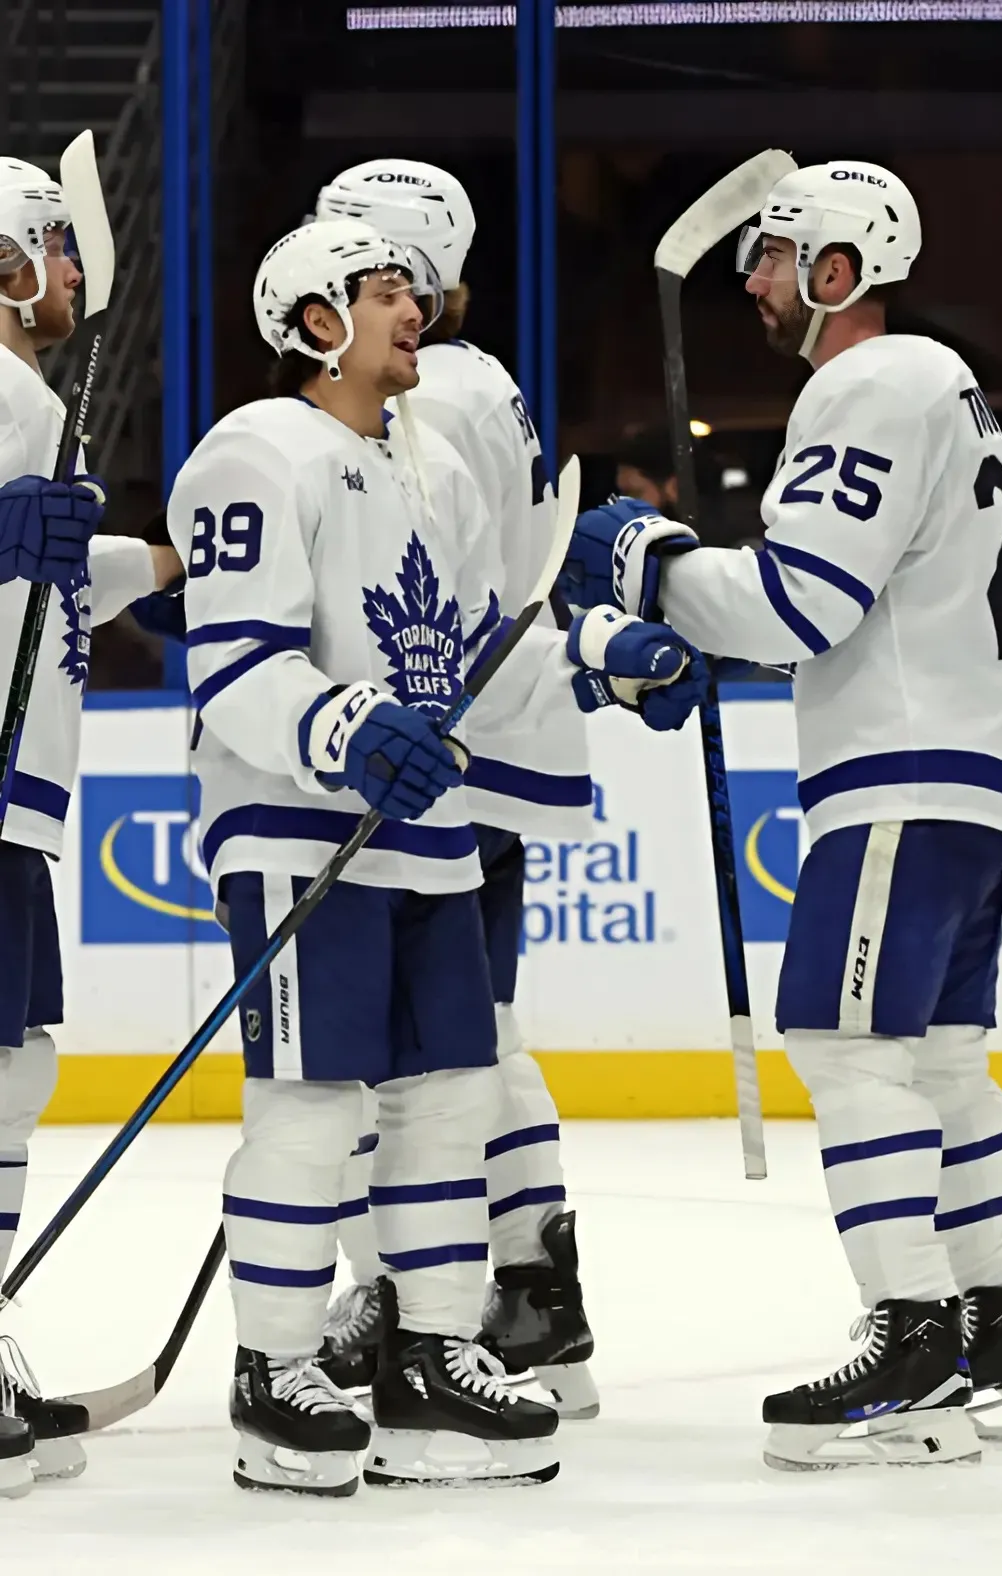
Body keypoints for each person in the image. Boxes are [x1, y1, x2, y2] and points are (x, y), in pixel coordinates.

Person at [567, 161, 1002, 1469]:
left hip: (909, 766)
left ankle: (914, 1344)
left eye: (779, 256)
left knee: (842, 1043)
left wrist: (647, 559)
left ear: (840, 270)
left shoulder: (869, 383)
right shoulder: (934, 383)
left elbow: (799, 608)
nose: (755, 280)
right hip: (980, 761)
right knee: (937, 1058)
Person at [182, 217, 687, 1494]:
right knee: (310, 1108)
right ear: (315, 323)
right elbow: (234, 665)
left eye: (413, 286)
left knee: (451, 1095)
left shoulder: (430, 467)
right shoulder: (254, 452)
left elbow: (474, 657)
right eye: (385, 291)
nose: (417, 307)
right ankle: (274, 1372)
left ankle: (428, 1357)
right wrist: (344, 725)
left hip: (425, 836)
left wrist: (599, 662)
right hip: (304, 831)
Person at [308, 157, 601, 1418]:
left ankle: (411, 1283)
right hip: (485, 735)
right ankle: (534, 1278)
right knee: (468, 1027)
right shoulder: (479, 379)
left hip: (446, 743)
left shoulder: (438, 389)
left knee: (410, 1043)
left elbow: (430, 576)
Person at [0, 155, 179, 1490]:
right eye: (56, 251)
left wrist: (165, 562)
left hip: (17, 793)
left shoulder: (28, 397)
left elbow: (45, 569)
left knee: (19, 1064)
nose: (72, 275)